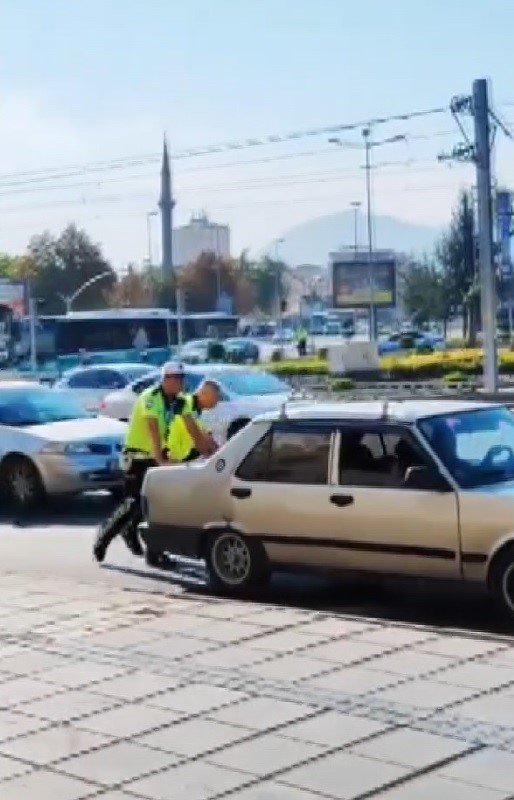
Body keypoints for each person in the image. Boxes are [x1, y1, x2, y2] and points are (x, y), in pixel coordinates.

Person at [93, 361, 212, 563]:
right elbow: (153, 428)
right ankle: (104, 538)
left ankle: (153, 551)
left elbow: (194, 431)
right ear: (166, 379)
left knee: (157, 506)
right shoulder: (151, 397)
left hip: (157, 457)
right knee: (133, 505)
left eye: (182, 379)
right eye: (176, 379)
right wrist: (160, 459)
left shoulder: (181, 401)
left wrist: (210, 456)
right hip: (138, 456)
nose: (180, 383)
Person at [145, 380, 221, 568]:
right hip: (170, 463)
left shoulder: (196, 409)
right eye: (215, 398)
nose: (217, 403)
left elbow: (206, 439)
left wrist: (219, 453)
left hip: (180, 465)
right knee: (166, 510)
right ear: (204, 393)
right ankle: (154, 553)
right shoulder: (186, 405)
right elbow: (199, 439)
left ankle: (158, 551)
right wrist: (216, 459)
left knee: (172, 510)